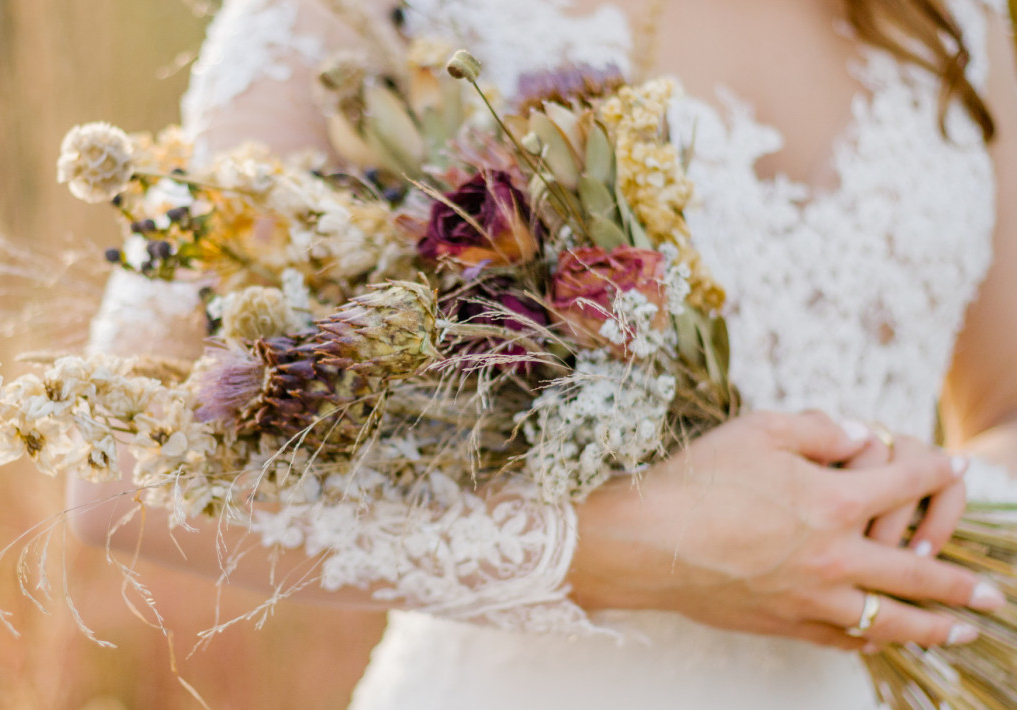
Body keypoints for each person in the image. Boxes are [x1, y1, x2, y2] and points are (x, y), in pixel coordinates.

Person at [70, 0, 1017, 707]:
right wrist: (619, 549)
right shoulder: (356, 14)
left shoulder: (951, 20)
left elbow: (1005, 413)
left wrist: (900, 519)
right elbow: (123, 469)